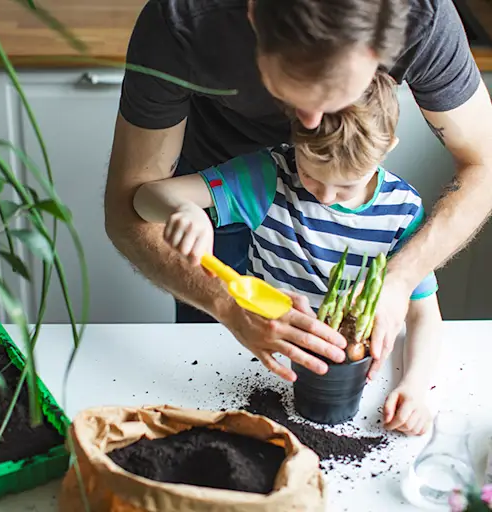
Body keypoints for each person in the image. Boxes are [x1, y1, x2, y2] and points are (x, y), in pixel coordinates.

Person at [104, 0, 492, 380]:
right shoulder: (184, 19)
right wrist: (223, 303)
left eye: (337, 98)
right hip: (218, 186)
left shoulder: (423, 17)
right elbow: (129, 206)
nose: (306, 125)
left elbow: (485, 166)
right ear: (254, 12)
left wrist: (401, 279)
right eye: (292, 95)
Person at [133, 71, 442, 436]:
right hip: (262, 362)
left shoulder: (402, 212)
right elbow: (144, 198)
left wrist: (415, 388)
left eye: (345, 185)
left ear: (388, 145)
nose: (325, 197)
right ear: (295, 136)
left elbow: (425, 317)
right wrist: (183, 210)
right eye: (312, 176)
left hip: (361, 387)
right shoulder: (269, 177)